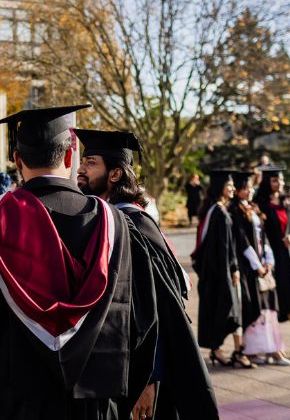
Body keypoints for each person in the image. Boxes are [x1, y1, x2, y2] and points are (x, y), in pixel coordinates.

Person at [0, 106, 199, 419]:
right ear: (70, 157)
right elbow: (142, 321)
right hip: (92, 403)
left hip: (11, 399)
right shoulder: (116, 223)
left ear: (17, 161)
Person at [74, 128, 217, 419]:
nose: (81, 168)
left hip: (145, 371)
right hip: (120, 366)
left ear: (114, 174)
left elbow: (160, 308)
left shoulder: (133, 223)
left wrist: (150, 379)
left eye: (91, 162)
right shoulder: (107, 218)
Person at [193, 170, 254, 369]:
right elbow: (223, 247)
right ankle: (222, 349)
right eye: (229, 186)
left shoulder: (218, 210)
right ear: (221, 188)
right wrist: (232, 268)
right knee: (225, 309)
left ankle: (223, 349)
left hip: (220, 271)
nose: (233, 189)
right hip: (219, 272)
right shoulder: (217, 213)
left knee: (225, 309)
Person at [228, 172, 290, 366]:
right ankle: (254, 350)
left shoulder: (253, 208)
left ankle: (272, 348)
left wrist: (269, 261)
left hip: (262, 265)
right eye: (245, 188)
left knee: (269, 307)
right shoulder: (235, 211)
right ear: (238, 190)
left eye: (250, 187)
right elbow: (243, 242)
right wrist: (257, 266)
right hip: (249, 267)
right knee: (255, 308)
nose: (249, 191)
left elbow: (263, 237)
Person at [255, 166, 290, 361]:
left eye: (280, 180)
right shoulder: (260, 204)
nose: (278, 183)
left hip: (289, 257)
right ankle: (275, 344)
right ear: (267, 183)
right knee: (272, 303)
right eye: (273, 180)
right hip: (271, 259)